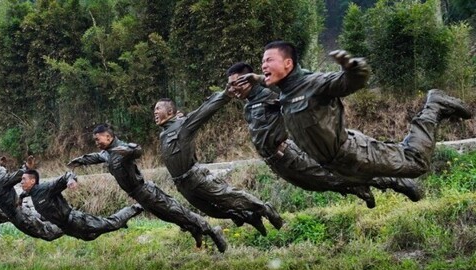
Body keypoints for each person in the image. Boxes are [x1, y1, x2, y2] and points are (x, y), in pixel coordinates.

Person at [258, 40, 472, 180]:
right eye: (262, 61)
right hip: (339, 166)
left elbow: (348, 83)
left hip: (354, 152)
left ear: (288, 63)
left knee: (416, 163)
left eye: (269, 60)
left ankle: (433, 106)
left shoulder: (314, 84)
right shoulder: (285, 93)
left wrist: (353, 68)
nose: (263, 65)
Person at [226, 62, 422, 207]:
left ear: (249, 79)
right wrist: (228, 92)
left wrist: (261, 79)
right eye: (231, 85)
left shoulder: (268, 94)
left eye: (237, 83)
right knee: (316, 185)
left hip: (287, 154)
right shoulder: (249, 104)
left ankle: (394, 182)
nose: (234, 88)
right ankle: (359, 189)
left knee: (332, 177)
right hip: (276, 162)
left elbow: (293, 88)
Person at [67, 124, 228, 252]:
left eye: (98, 139)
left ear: (108, 136)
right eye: (95, 140)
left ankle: (213, 231)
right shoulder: (107, 153)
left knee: (179, 213)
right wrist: (79, 161)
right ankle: (196, 231)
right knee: (170, 217)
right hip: (139, 197)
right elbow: (95, 157)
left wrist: (129, 150)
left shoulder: (122, 149)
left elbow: (137, 150)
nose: (96, 143)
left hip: (147, 192)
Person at [153, 92, 283, 236]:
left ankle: (265, 209)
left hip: (195, 177)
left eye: (158, 108)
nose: (155, 112)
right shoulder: (163, 134)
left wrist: (226, 94)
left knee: (229, 196)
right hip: (182, 185)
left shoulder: (183, 125)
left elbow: (206, 110)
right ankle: (249, 217)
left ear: (170, 111)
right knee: (213, 211)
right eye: (155, 110)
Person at [19, 169, 143, 241]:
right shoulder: (32, 194)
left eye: (23, 179)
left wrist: (71, 180)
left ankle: (137, 207)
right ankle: (118, 223)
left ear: (33, 181)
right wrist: (20, 198)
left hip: (76, 220)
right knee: (90, 237)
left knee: (111, 224)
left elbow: (67, 175)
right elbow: (24, 194)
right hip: (67, 228)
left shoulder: (45, 188)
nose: (21, 182)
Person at [0, 160, 63, 242]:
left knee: (48, 234)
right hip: (16, 218)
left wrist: (26, 167)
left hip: (21, 216)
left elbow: (16, 176)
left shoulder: (0, 181)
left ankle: (69, 226)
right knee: (44, 230)